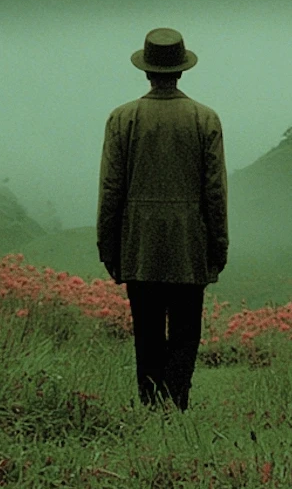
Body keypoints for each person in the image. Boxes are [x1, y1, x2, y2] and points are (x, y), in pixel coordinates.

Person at [97, 27, 228, 412]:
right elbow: (215, 192)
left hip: (139, 243)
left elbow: (110, 190)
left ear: (146, 70)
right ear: (182, 70)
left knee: (147, 331)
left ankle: (151, 405)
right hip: (189, 243)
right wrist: (218, 246)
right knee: (186, 330)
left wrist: (108, 247)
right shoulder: (205, 119)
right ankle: (177, 404)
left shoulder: (122, 118)